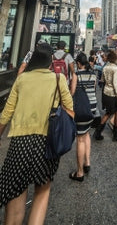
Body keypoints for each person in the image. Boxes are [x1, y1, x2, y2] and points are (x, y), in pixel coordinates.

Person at [0, 43, 73, 225]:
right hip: (46, 142)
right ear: (50, 62)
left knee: (16, 191)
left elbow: (6, 114)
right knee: (42, 190)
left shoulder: (22, 79)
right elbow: (70, 111)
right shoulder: (59, 79)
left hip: (19, 144)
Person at [69, 52, 97, 182]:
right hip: (92, 108)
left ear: (78, 63)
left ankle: (79, 173)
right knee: (87, 134)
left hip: (81, 109)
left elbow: (72, 92)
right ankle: (87, 162)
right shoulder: (93, 74)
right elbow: (94, 88)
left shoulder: (77, 74)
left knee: (80, 138)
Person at [93, 50, 117, 142]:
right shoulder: (115, 68)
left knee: (108, 112)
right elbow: (116, 84)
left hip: (106, 92)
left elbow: (102, 80)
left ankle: (98, 132)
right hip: (113, 94)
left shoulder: (105, 67)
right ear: (114, 58)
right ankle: (116, 134)